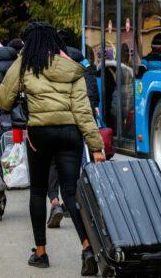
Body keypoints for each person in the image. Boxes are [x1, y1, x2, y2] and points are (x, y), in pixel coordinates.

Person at [0, 22, 105, 275]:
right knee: (71, 192)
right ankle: (88, 247)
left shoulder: (25, 65)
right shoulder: (72, 68)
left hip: (40, 134)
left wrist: (21, 62)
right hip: (71, 134)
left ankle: (41, 252)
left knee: (38, 190)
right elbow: (82, 110)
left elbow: (4, 99)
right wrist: (96, 145)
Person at [46, 29, 101, 229]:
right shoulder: (79, 58)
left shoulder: (48, 59)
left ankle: (54, 202)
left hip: (53, 119)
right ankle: (75, 201)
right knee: (73, 159)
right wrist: (94, 102)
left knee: (52, 161)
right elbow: (90, 81)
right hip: (78, 114)